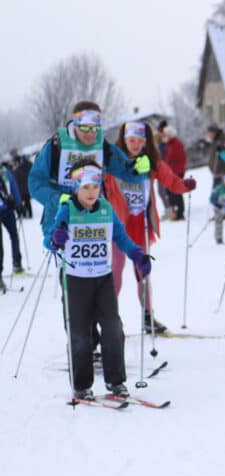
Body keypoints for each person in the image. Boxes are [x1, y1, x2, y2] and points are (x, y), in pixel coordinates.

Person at [43, 159, 151, 400]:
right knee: (80, 334)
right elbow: (50, 238)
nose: (91, 192)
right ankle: (82, 385)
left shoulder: (105, 209)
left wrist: (137, 255)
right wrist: (55, 238)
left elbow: (121, 237)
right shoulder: (67, 210)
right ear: (75, 188)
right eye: (85, 187)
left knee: (113, 328)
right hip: (75, 279)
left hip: (102, 278)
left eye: (95, 187)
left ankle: (116, 382)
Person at [104, 121, 196, 333]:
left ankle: (148, 317)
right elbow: (101, 182)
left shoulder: (152, 162)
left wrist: (185, 185)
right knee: (116, 271)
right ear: (124, 140)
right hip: (119, 226)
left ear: (146, 142)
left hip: (141, 226)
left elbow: (171, 181)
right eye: (131, 141)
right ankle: (111, 320)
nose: (135, 145)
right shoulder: (115, 161)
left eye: (140, 141)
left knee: (143, 273)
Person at [29, 101, 147, 239]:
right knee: (67, 259)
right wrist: (58, 198)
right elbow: (35, 182)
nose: (91, 134)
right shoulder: (56, 146)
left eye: (95, 128)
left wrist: (138, 169)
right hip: (58, 220)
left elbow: (126, 171)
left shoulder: (102, 146)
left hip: (93, 220)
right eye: (85, 128)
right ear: (75, 124)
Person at [160, 126, 188, 220]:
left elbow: (180, 159)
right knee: (169, 192)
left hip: (177, 172)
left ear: (169, 135)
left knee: (176, 192)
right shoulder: (169, 144)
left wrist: (171, 166)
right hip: (171, 172)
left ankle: (180, 213)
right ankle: (175, 211)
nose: (163, 137)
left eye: (165, 135)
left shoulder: (176, 144)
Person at [1, 163, 24, 277]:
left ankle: (17, 263)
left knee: (14, 236)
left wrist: (18, 205)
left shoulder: (5, 173)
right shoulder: (5, 172)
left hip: (8, 210)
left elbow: (13, 187)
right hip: (6, 208)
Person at [12, 154, 33, 220]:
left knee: (26, 201)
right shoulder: (18, 169)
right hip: (22, 189)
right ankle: (26, 213)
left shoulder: (21, 168)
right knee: (24, 202)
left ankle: (28, 214)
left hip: (24, 189)